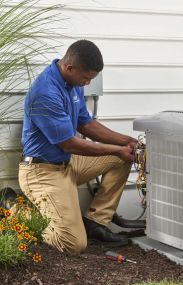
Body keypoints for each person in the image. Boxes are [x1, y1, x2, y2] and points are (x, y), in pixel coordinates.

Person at [18, 40, 137, 253]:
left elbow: (86, 123)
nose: (86, 84)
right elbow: (69, 143)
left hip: (67, 164)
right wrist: (116, 148)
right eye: (85, 78)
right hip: (41, 172)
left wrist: (127, 142)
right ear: (69, 67)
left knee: (120, 158)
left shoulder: (72, 84)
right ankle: (19, 212)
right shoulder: (45, 92)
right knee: (73, 244)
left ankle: (96, 223)